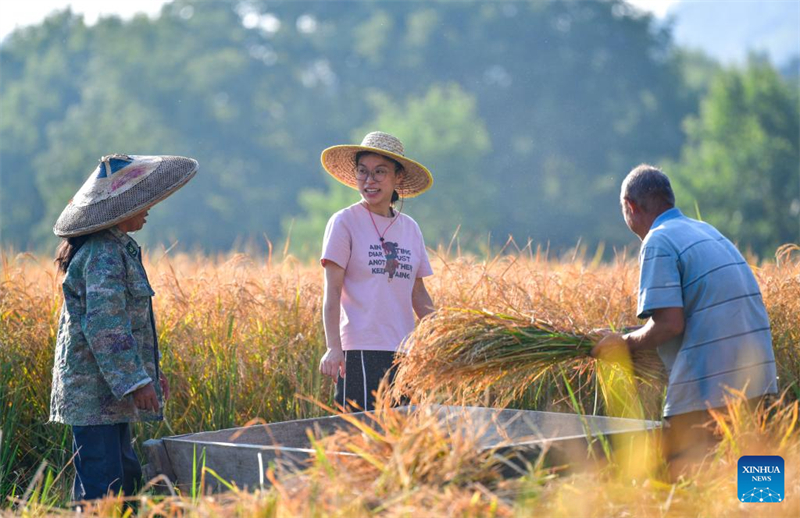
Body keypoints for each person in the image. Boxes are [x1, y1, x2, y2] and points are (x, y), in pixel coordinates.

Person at [591, 164, 778, 479]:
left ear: (631, 207)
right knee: (759, 490)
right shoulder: (706, 231)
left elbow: (668, 325)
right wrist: (628, 335)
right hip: (757, 382)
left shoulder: (658, 241)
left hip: (710, 391)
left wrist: (622, 344)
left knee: (687, 487)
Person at [50, 154, 198, 501]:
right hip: (95, 397)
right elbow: (107, 329)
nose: (148, 208)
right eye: (140, 202)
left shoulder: (117, 250)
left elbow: (122, 327)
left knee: (124, 480)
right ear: (120, 209)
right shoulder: (103, 255)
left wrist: (145, 373)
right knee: (105, 489)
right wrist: (136, 380)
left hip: (108, 396)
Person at [318, 131, 435, 411]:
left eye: (380, 172)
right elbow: (331, 293)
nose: (370, 181)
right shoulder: (344, 222)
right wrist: (334, 347)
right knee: (361, 437)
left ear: (399, 178)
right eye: (363, 172)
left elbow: (418, 294)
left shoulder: (410, 228)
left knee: (403, 437)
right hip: (360, 350)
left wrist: (448, 335)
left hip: (405, 353)